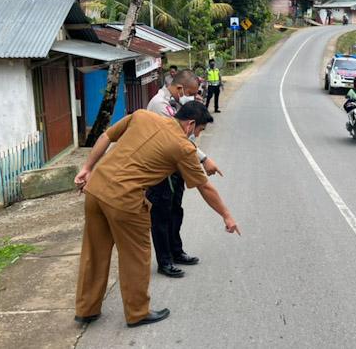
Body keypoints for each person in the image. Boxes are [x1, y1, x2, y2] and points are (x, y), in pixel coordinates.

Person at [73, 102, 240, 328]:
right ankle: (137, 312)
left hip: (96, 189)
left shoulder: (142, 116)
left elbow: (106, 136)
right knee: (136, 257)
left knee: (94, 252)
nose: (198, 135)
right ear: (190, 124)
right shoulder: (183, 147)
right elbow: (205, 187)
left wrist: (87, 168)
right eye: (200, 130)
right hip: (125, 200)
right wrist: (227, 216)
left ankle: (87, 310)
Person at [146, 70, 221, 278]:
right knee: (161, 216)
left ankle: (176, 251)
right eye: (190, 92)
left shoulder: (175, 100)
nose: (191, 96)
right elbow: (179, 138)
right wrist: (204, 159)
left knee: (175, 211)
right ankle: (165, 261)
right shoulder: (160, 105)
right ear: (180, 88)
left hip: (175, 167)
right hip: (161, 169)